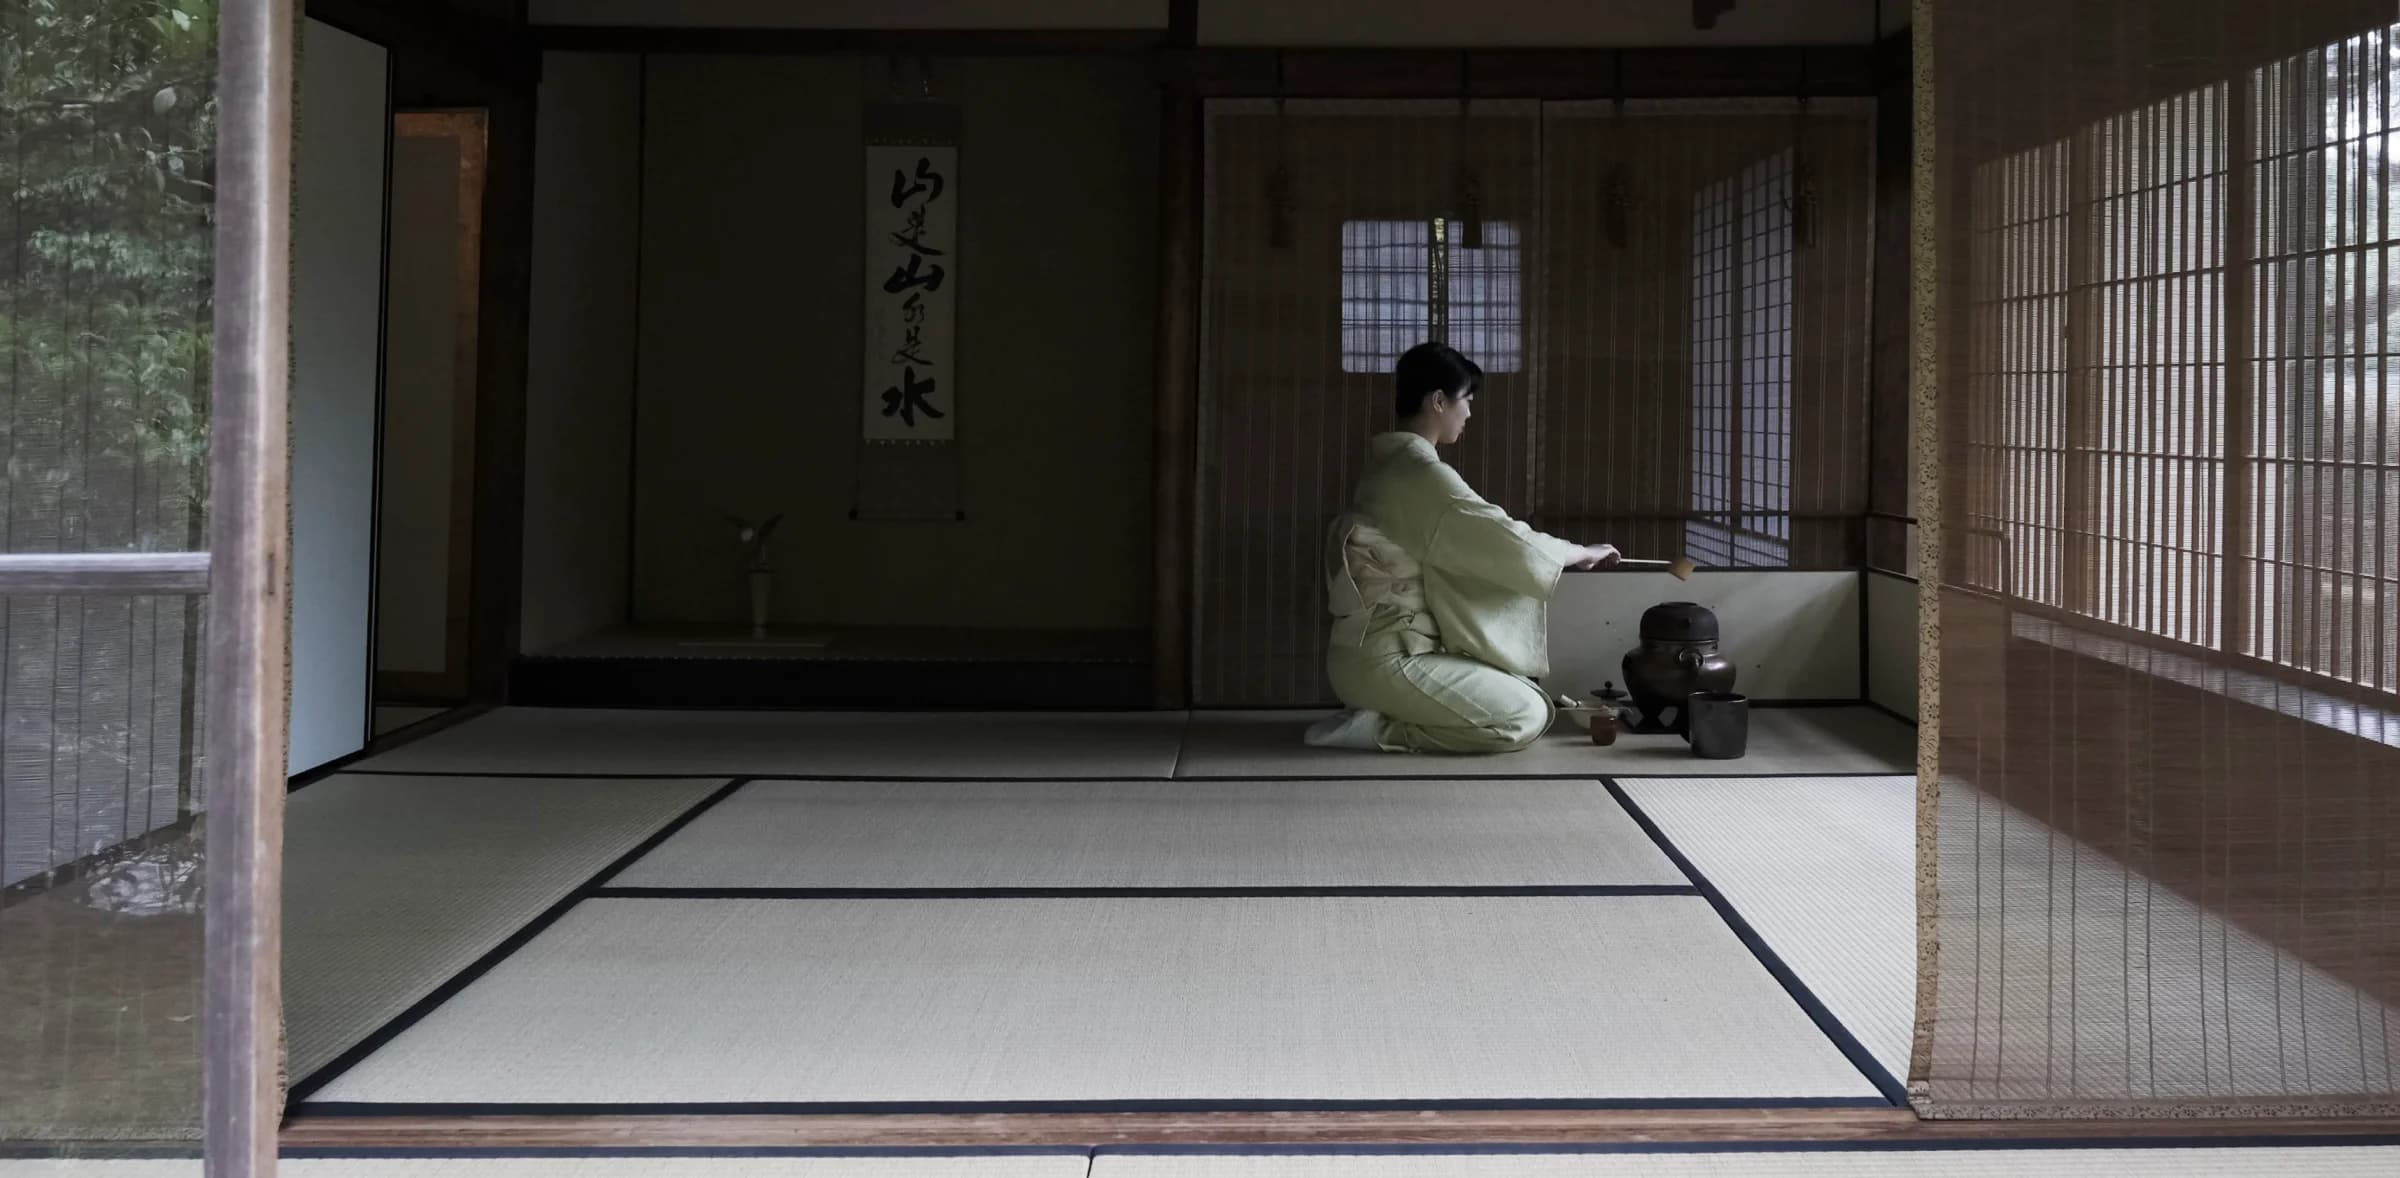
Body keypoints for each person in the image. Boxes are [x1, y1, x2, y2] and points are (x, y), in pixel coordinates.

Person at [1307, 342, 1619, 754]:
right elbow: (1499, 535)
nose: (1470, 413)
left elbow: (1484, 531)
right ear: (1439, 401)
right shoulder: (1416, 473)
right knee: (1525, 714)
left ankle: (1383, 714)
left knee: (1524, 691)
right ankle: (1379, 730)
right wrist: (1576, 551)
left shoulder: (1389, 465)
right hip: (1387, 659)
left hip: (1376, 654)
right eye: (1466, 400)